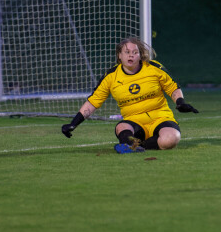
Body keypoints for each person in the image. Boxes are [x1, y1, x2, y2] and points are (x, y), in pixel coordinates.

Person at [61, 37, 198, 153]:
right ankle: (131, 143)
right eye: (126, 52)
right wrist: (74, 123)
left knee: (172, 138)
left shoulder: (153, 68)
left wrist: (180, 102)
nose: (130, 55)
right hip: (134, 122)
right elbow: (93, 102)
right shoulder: (111, 76)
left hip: (161, 117)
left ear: (140, 55)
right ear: (119, 55)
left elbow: (173, 87)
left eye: (134, 52)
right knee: (122, 127)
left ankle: (137, 146)